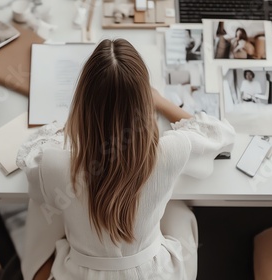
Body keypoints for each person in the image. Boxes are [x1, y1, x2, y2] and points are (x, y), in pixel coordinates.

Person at [16, 38, 235, 280]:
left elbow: (28, 156)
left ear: (82, 103)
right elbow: (221, 133)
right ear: (144, 104)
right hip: (153, 272)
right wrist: (160, 100)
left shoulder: (55, 166)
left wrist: (76, 118)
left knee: (44, 206)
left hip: (83, 273)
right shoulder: (171, 150)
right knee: (178, 208)